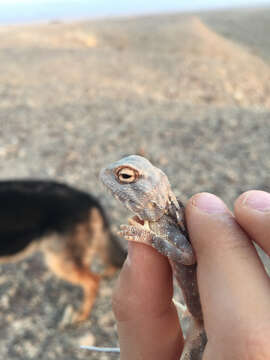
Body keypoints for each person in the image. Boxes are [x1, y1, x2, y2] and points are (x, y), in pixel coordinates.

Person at [112, 190, 270, 359]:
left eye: (126, 177)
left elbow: (186, 255)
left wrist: (149, 237)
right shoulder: (170, 218)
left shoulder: (169, 220)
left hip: (210, 319)